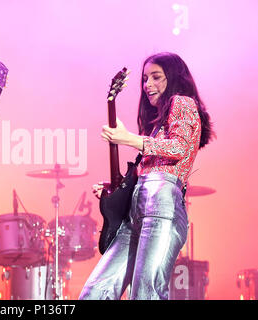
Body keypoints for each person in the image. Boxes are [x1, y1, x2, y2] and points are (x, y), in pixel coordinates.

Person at [79, 52, 214, 300]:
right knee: (95, 292)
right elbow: (149, 170)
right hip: (135, 215)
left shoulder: (182, 102)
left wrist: (129, 139)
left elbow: (179, 148)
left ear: (174, 78)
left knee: (146, 294)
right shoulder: (155, 125)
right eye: (145, 78)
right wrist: (113, 192)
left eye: (156, 77)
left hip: (163, 208)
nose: (147, 85)